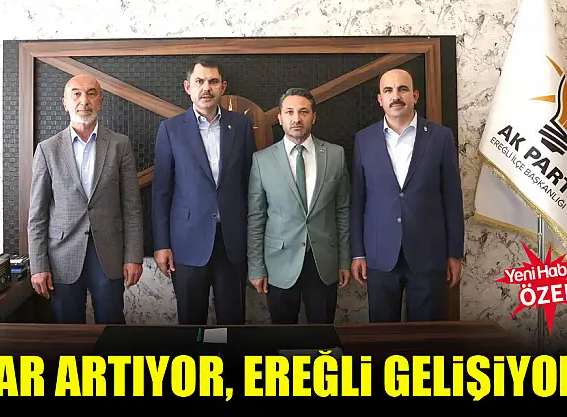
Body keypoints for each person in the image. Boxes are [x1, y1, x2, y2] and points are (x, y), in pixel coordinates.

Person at [350, 68, 464, 322]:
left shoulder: (441, 137)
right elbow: (357, 200)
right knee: (382, 336)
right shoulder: (363, 140)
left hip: (429, 254)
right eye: (388, 90)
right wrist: (358, 253)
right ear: (380, 99)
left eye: (402, 89)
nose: (396, 96)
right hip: (379, 255)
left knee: (428, 337)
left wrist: (454, 253)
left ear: (415, 95)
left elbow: (452, 200)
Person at [27, 74, 143, 324]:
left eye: (91, 93)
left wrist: (134, 256)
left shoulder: (119, 145)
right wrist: (38, 266)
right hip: (62, 256)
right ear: (65, 102)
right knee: (67, 332)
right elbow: (37, 215)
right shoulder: (47, 149)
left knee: (112, 329)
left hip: (109, 254)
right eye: (76, 94)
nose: (84, 100)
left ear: (100, 101)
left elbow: (132, 208)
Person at [151, 57, 257, 325]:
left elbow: (250, 183)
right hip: (187, 242)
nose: (206, 88)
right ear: (188, 87)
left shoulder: (241, 126)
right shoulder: (171, 129)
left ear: (223, 86)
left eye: (213, 81)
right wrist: (161, 244)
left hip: (232, 242)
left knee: (233, 323)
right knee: (190, 323)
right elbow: (161, 191)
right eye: (199, 81)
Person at [247, 88, 351, 324]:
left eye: (303, 112)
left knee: (323, 335)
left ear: (313, 117)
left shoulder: (336, 155)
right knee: (283, 337)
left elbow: (343, 211)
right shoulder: (262, 160)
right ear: (280, 118)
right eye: (289, 112)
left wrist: (344, 260)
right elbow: (256, 218)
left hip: (323, 263)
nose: (296, 119)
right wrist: (256, 267)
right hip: (278, 263)